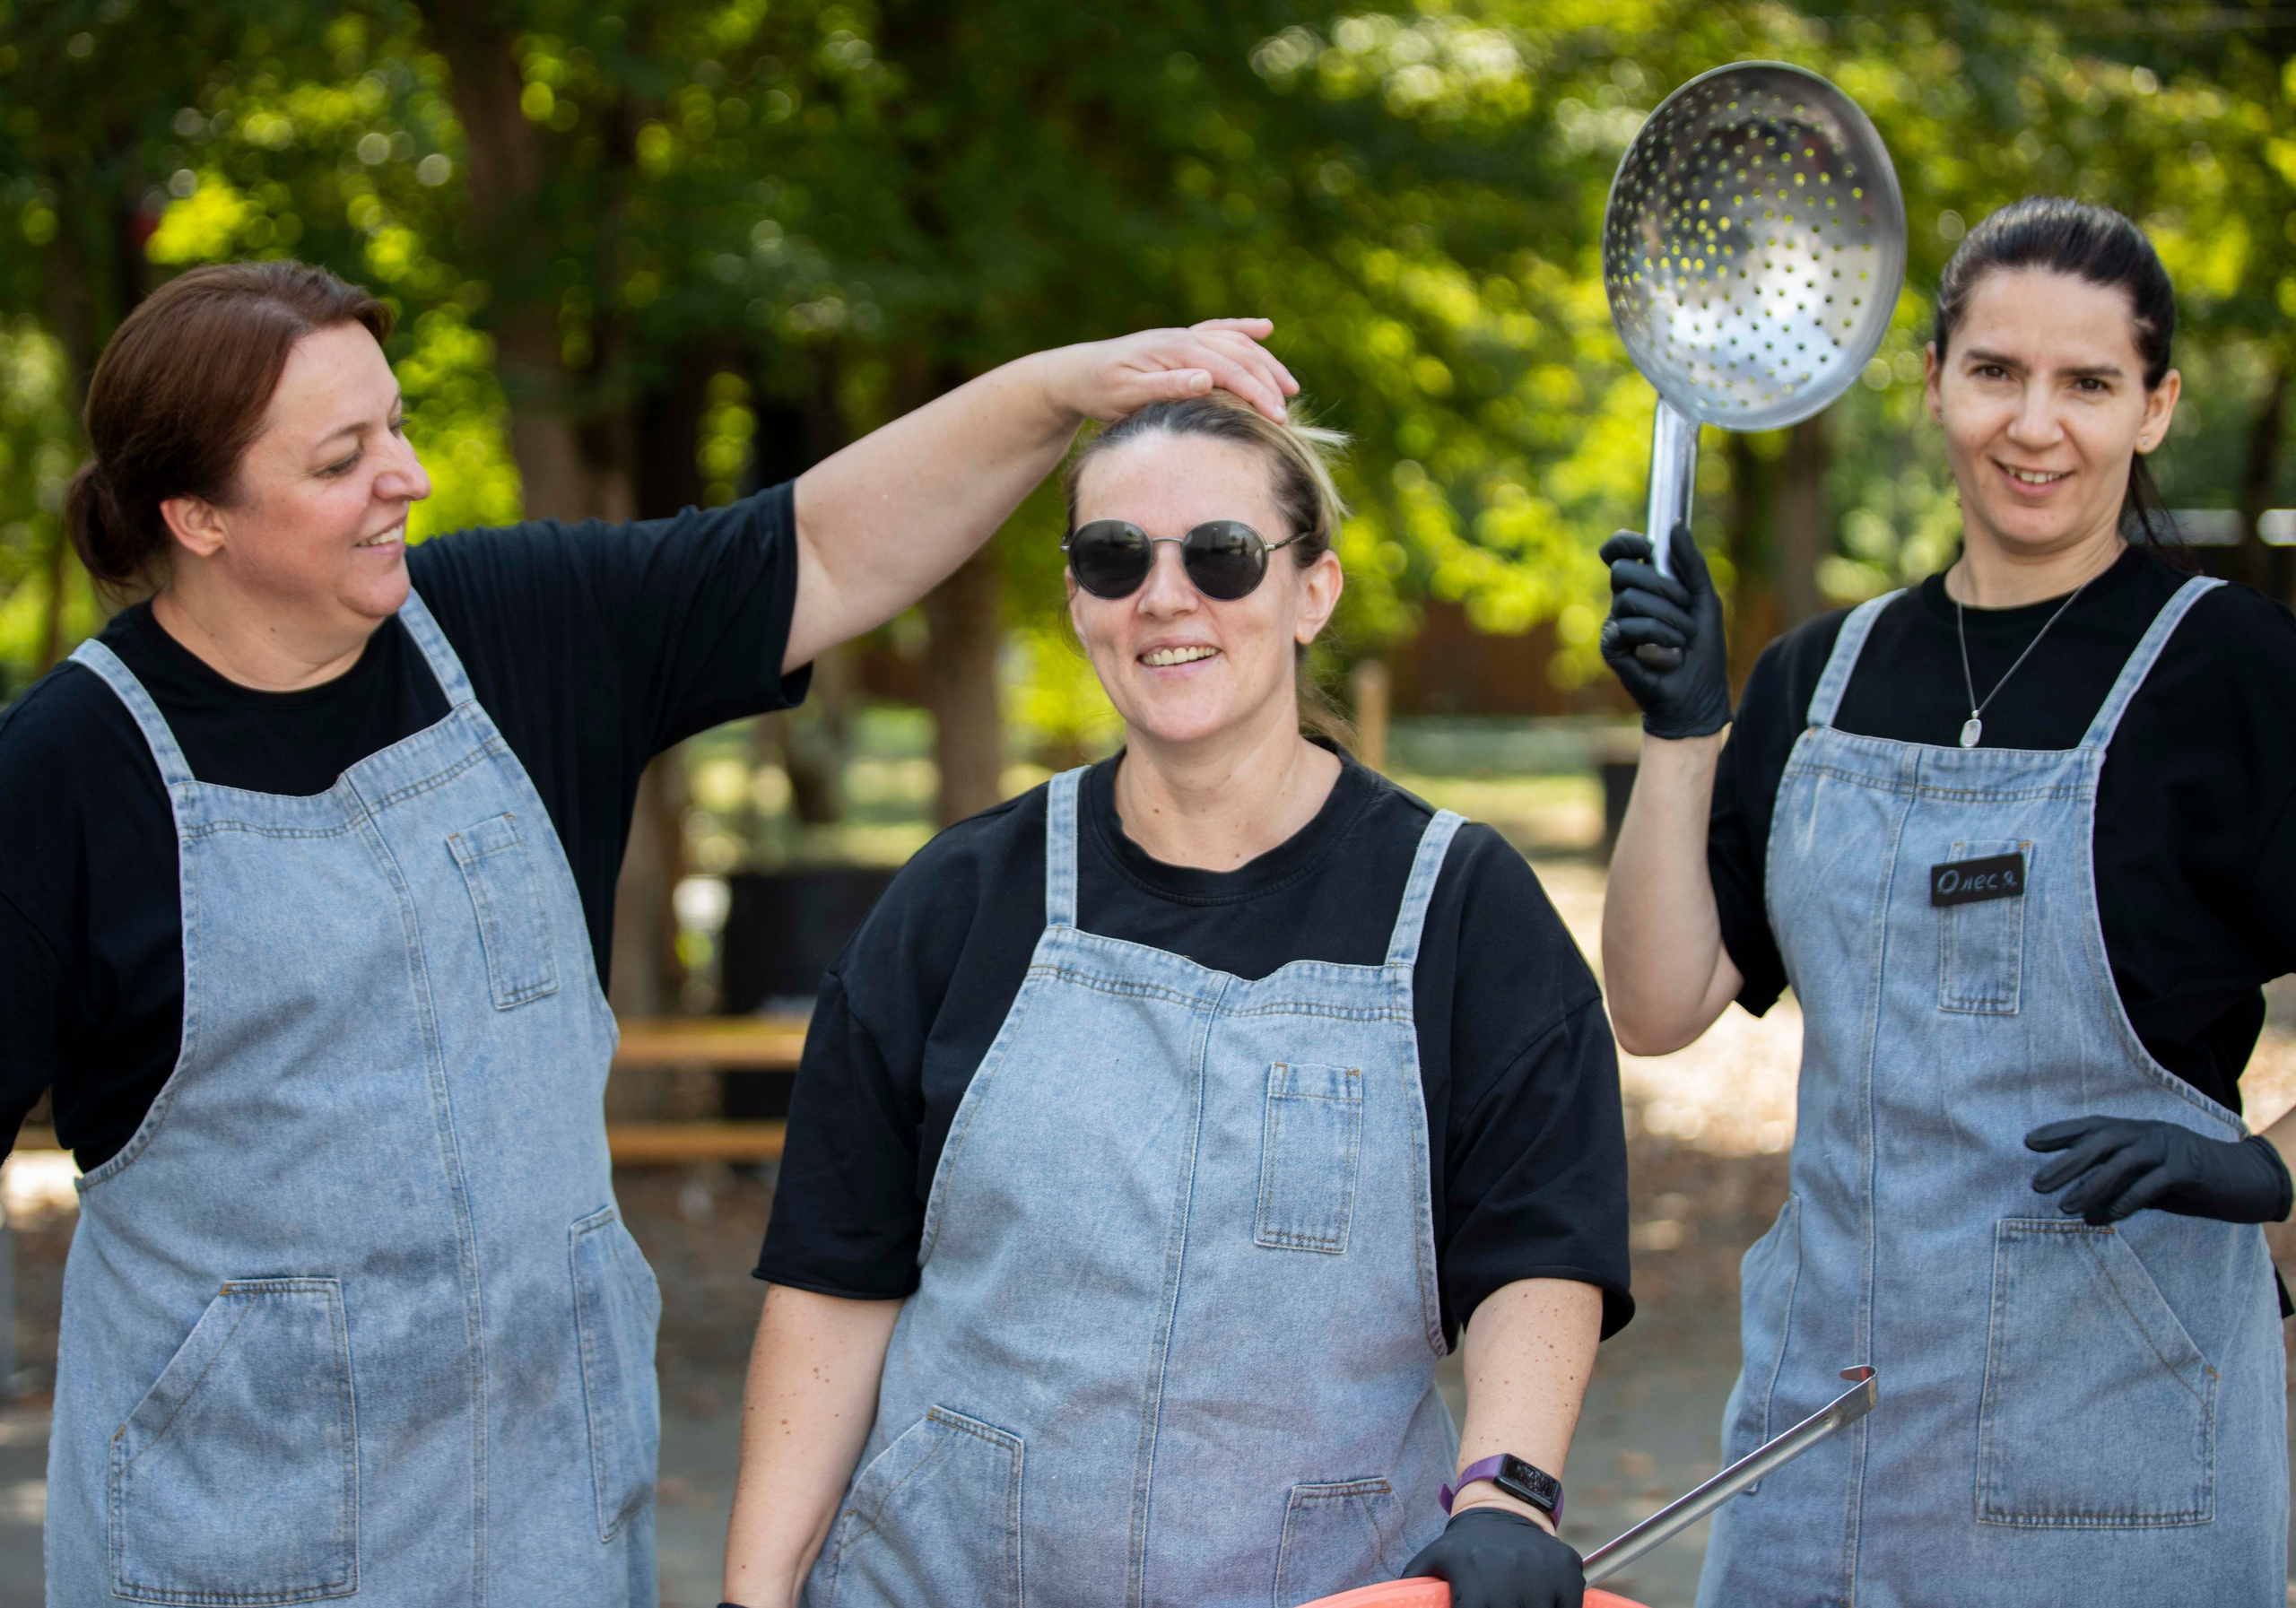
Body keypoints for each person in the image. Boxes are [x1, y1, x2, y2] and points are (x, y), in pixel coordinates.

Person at [0, 256, 1301, 1605]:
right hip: (227, 1543)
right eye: (343, 459)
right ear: (198, 516)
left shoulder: (511, 633)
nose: (409, 476)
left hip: (553, 1534)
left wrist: (1057, 390)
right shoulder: (62, 777)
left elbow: (825, 547)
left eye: (396, 425)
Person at [718, 389, 1631, 1608]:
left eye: (1222, 554)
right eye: (1115, 557)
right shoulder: (959, 901)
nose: (1164, 597)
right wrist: (752, 1594)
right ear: (1077, 599)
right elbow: (835, 1280)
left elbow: (1540, 1243)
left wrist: (1506, 1494)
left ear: (1313, 590)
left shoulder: (1464, 909)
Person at [1599, 196, 2296, 1606]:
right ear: (1933, 383)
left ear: (2155, 407)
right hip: (1822, 1444)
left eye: (2088, 382)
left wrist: (2276, 1169)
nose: (2035, 424)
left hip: (2122, 1446)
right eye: (1995, 371)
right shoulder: (1820, 677)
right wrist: (1682, 735)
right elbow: (1657, 1005)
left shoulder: (2234, 672)